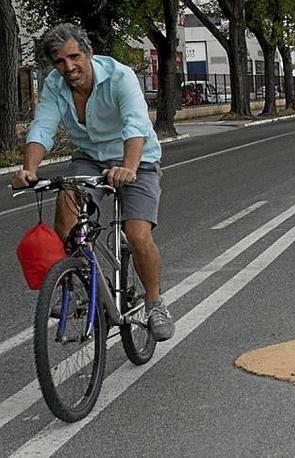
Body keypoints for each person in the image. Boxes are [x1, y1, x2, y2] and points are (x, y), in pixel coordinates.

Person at [11, 23, 174, 342]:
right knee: (66, 214)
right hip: (90, 158)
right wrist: (29, 169)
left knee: (137, 233)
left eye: (74, 57)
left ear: (88, 53)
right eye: (60, 61)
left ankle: (154, 303)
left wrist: (128, 167)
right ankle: (77, 284)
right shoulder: (55, 85)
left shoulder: (119, 77)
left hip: (137, 158)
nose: (68, 67)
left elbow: (135, 124)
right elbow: (42, 127)